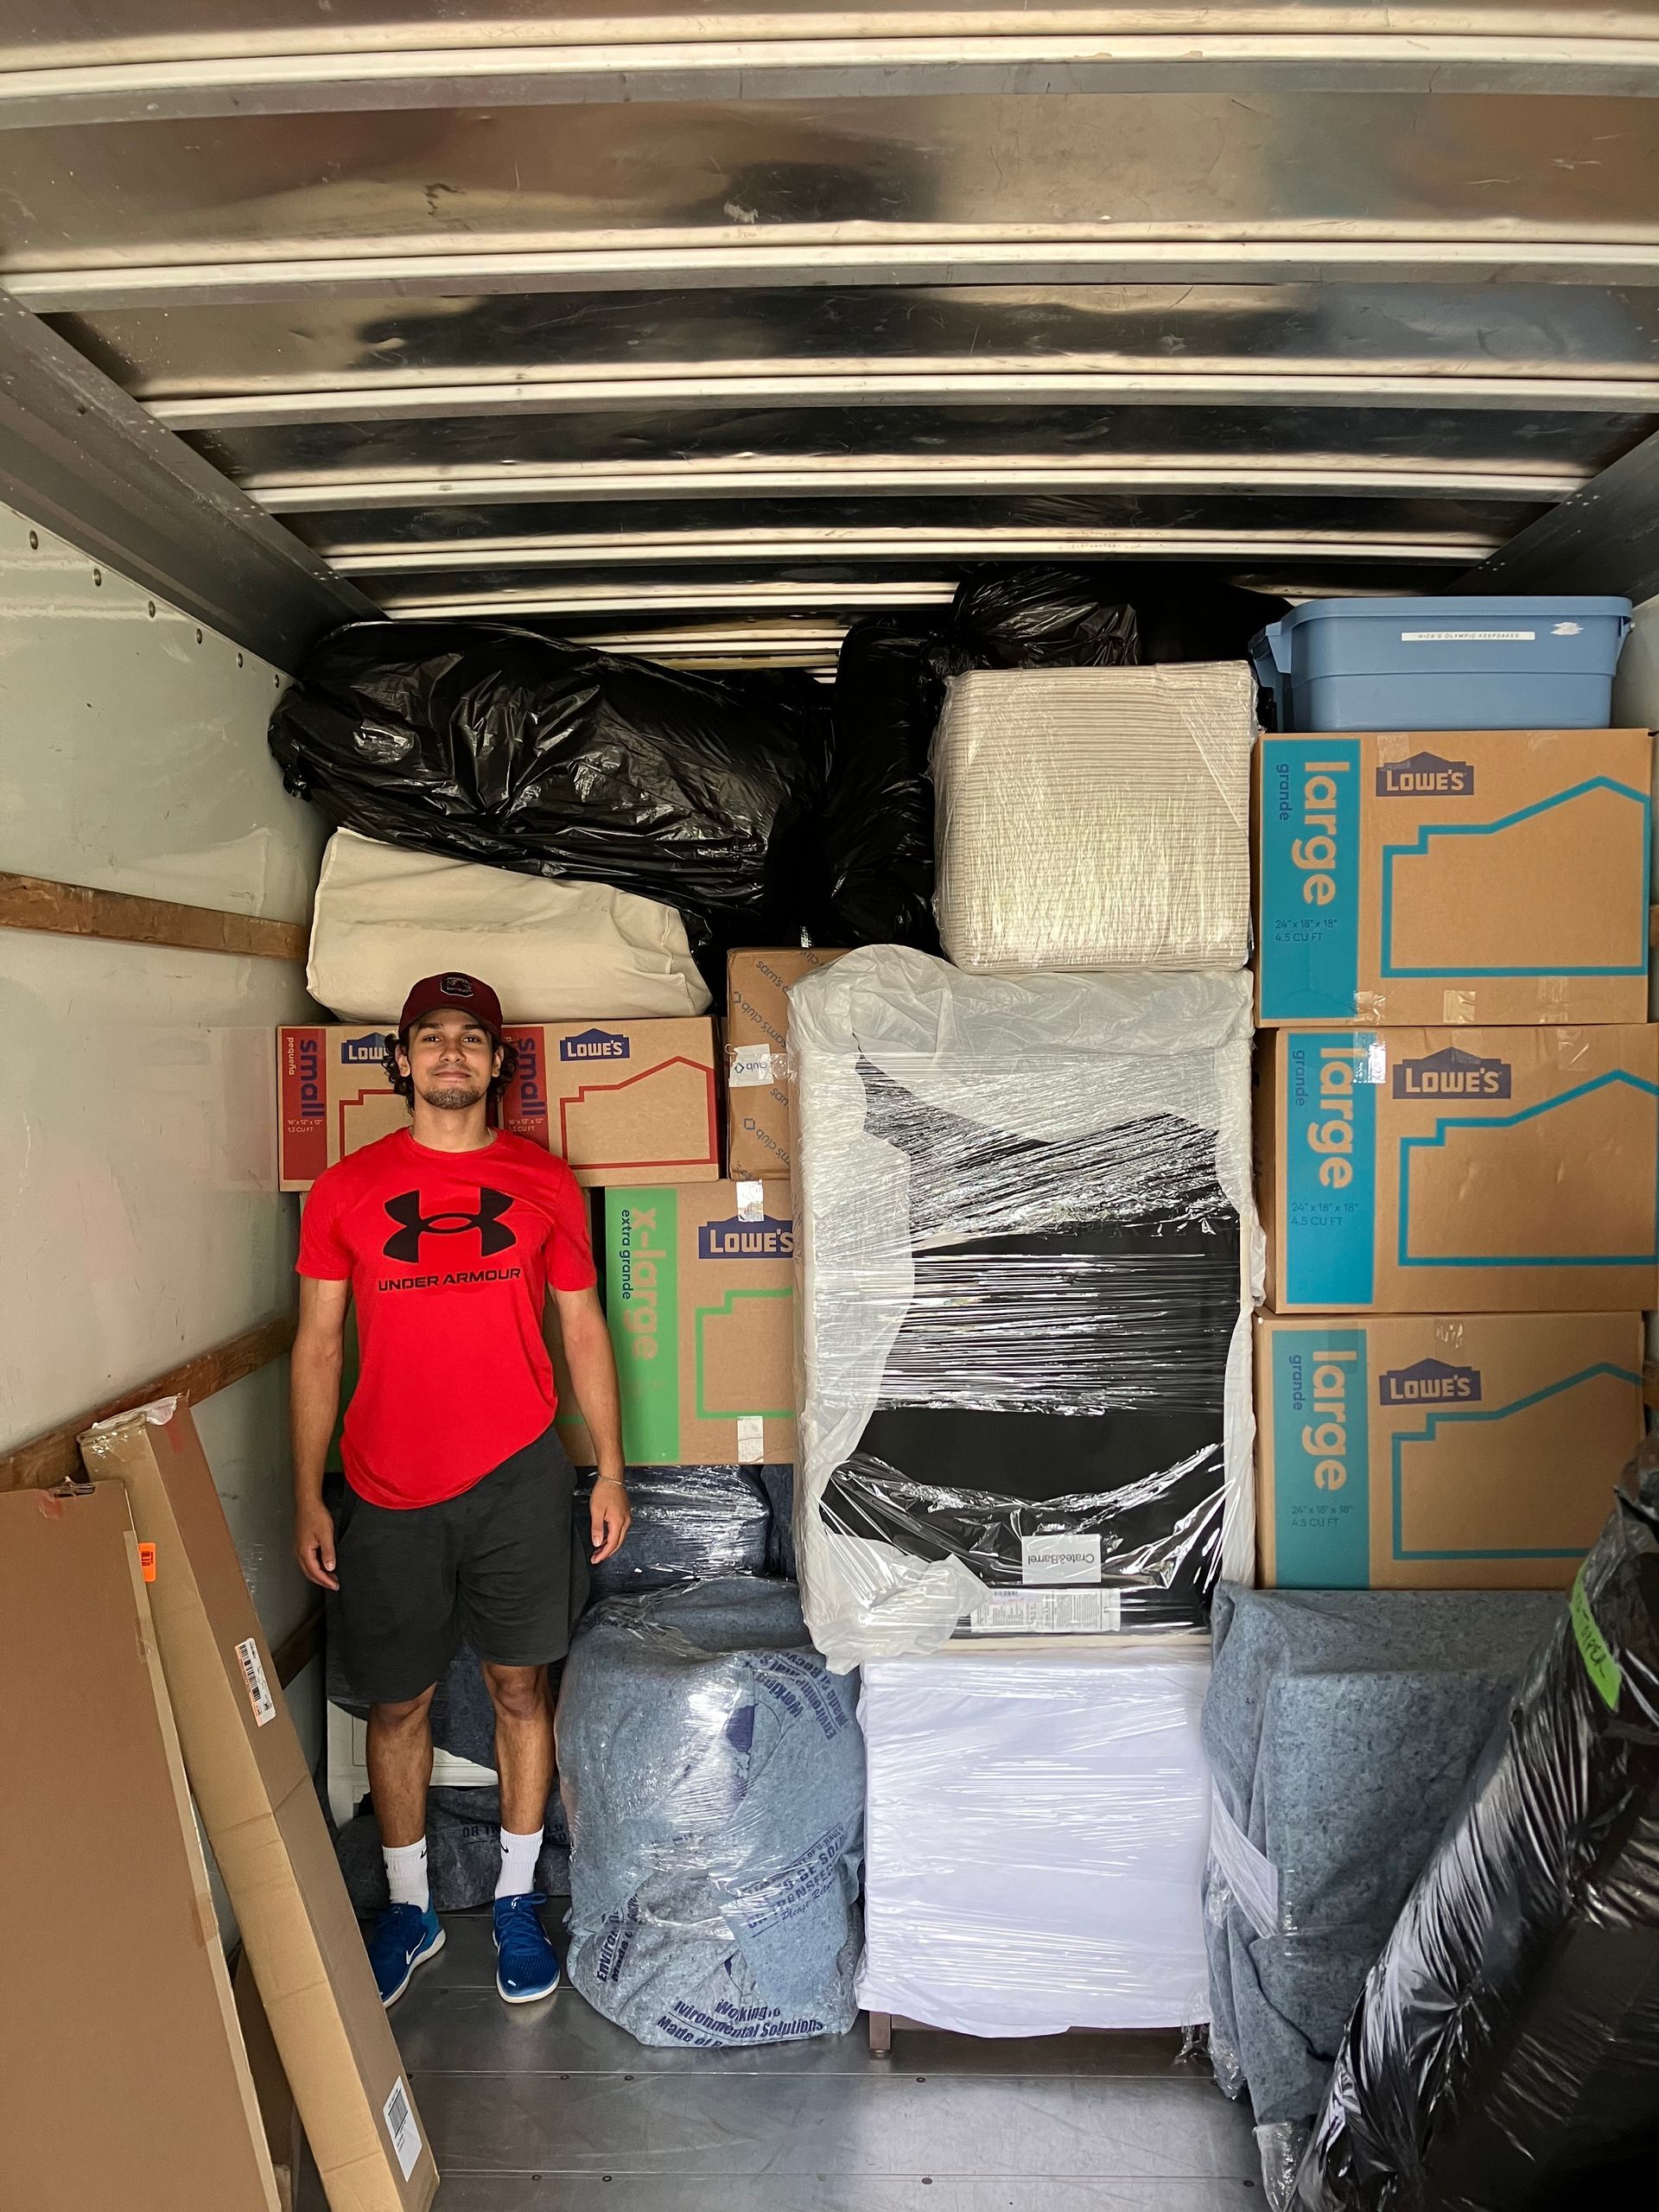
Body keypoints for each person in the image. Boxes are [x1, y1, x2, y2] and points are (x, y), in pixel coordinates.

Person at [290, 971, 630, 2008]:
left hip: (519, 1475)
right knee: (398, 1703)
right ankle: (409, 1907)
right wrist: (308, 1491)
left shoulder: (541, 1183)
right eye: (429, 1038)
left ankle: (521, 1900)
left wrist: (608, 1467)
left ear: (496, 1063)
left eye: (470, 1040)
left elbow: (581, 1325)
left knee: (522, 1688)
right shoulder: (346, 1190)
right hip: (387, 1484)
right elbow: (316, 1344)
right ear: (399, 1061)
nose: (449, 1054)